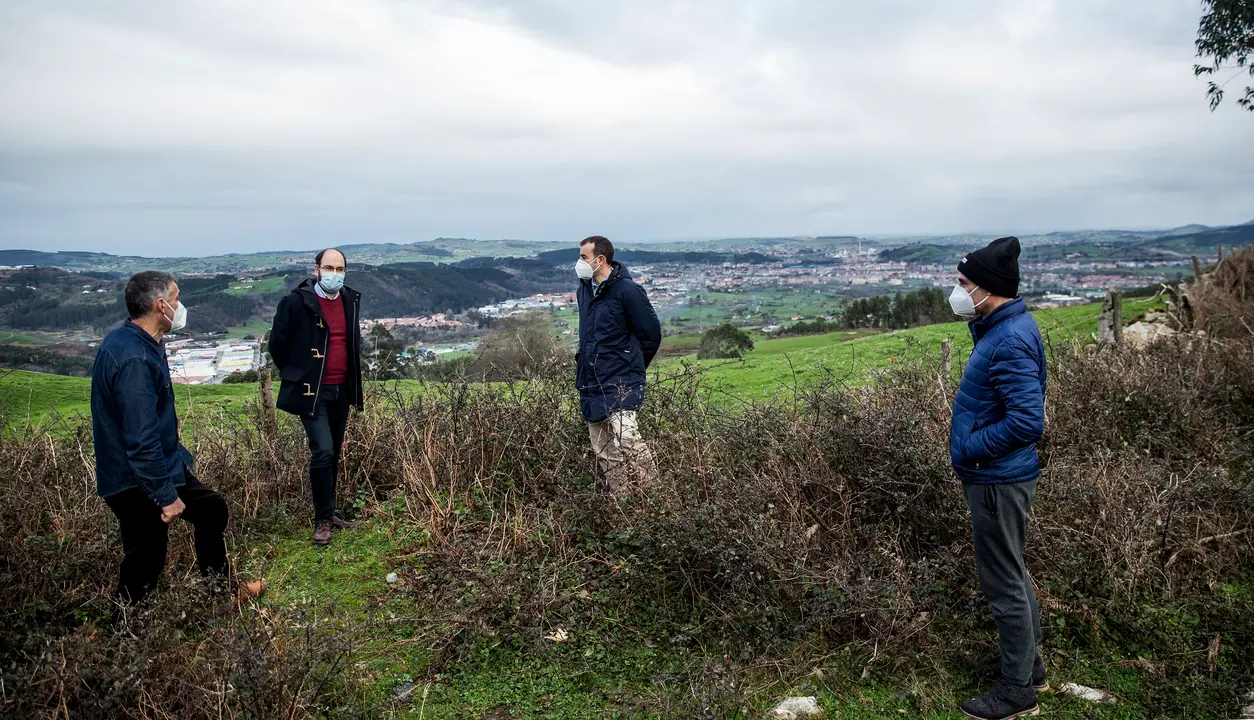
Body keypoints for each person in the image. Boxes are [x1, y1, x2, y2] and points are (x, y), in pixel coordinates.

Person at [92, 271, 266, 607]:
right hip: (137, 479)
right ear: (161, 305)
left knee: (211, 509)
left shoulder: (137, 342)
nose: (179, 305)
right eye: (176, 298)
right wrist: (166, 496)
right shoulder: (134, 360)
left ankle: (223, 593)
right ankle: (122, 639)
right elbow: (141, 440)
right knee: (146, 561)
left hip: (157, 466)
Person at [947, 237, 1048, 720]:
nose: (958, 291)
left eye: (964, 283)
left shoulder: (1007, 338)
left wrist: (972, 449)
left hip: (997, 478)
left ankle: (1015, 692)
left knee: (1003, 580)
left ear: (989, 288)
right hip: (1002, 475)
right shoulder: (999, 328)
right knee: (1013, 568)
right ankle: (1030, 668)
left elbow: (1028, 422)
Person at [268, 248, 364, 546]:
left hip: (341, 389)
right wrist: (299, 373)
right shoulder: (296, 302)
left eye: (339, 268)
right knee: (322, 450)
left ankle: (330, 512)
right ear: (316, 270)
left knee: (333, 451)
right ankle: (322, 519)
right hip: (314, 392)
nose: (334, 273)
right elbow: (277, 346)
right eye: (329, 267)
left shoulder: (350, 299)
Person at [574, 235, 662, 493]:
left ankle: (656, 500)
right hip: (591, 379)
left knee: (627, 439)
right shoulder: (584, 291)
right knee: (602, 449)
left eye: (583, 257)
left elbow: (651, 335)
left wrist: (631, 364)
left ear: (600, 259)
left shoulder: (628, 291)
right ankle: (622, 502)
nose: (579, 263)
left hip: (621, 378)